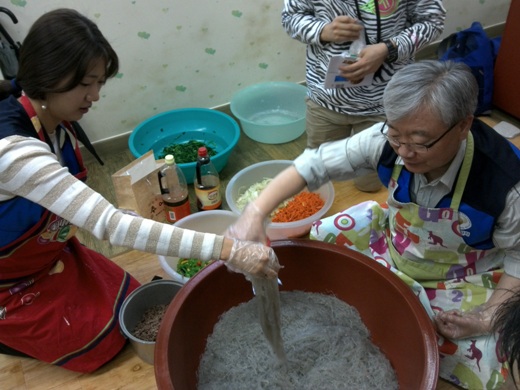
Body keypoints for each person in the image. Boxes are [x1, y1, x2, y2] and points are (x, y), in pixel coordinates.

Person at [0, 8, 279, 373]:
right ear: (49, 75)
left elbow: (70, 204)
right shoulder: (12, 150)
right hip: (11, 278)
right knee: (97, 344)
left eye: (100, 83)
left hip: (52, 251)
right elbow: (110, 226)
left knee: (129, 299)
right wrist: (231, 249)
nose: (95, 96)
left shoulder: (56, 123)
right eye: (86, 83)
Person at [226, 60, 520, 388]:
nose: (405, 152)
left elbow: (519, 259)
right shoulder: (385, 142)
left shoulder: (506, 185)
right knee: (321, 234)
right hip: (396, 239)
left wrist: (485, 318)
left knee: (481, 361)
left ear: (463, 126)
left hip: (461, 275)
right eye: (395, 135)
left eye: (421, 142)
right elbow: (314, 165)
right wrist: (254, 213)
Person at [281, 0, 445, 192]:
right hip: (324, 102)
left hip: (384, 105)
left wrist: (388, 49)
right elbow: (290, 17)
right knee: (317, 171)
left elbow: (432, 21)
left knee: (370, 184)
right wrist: (322, 31)